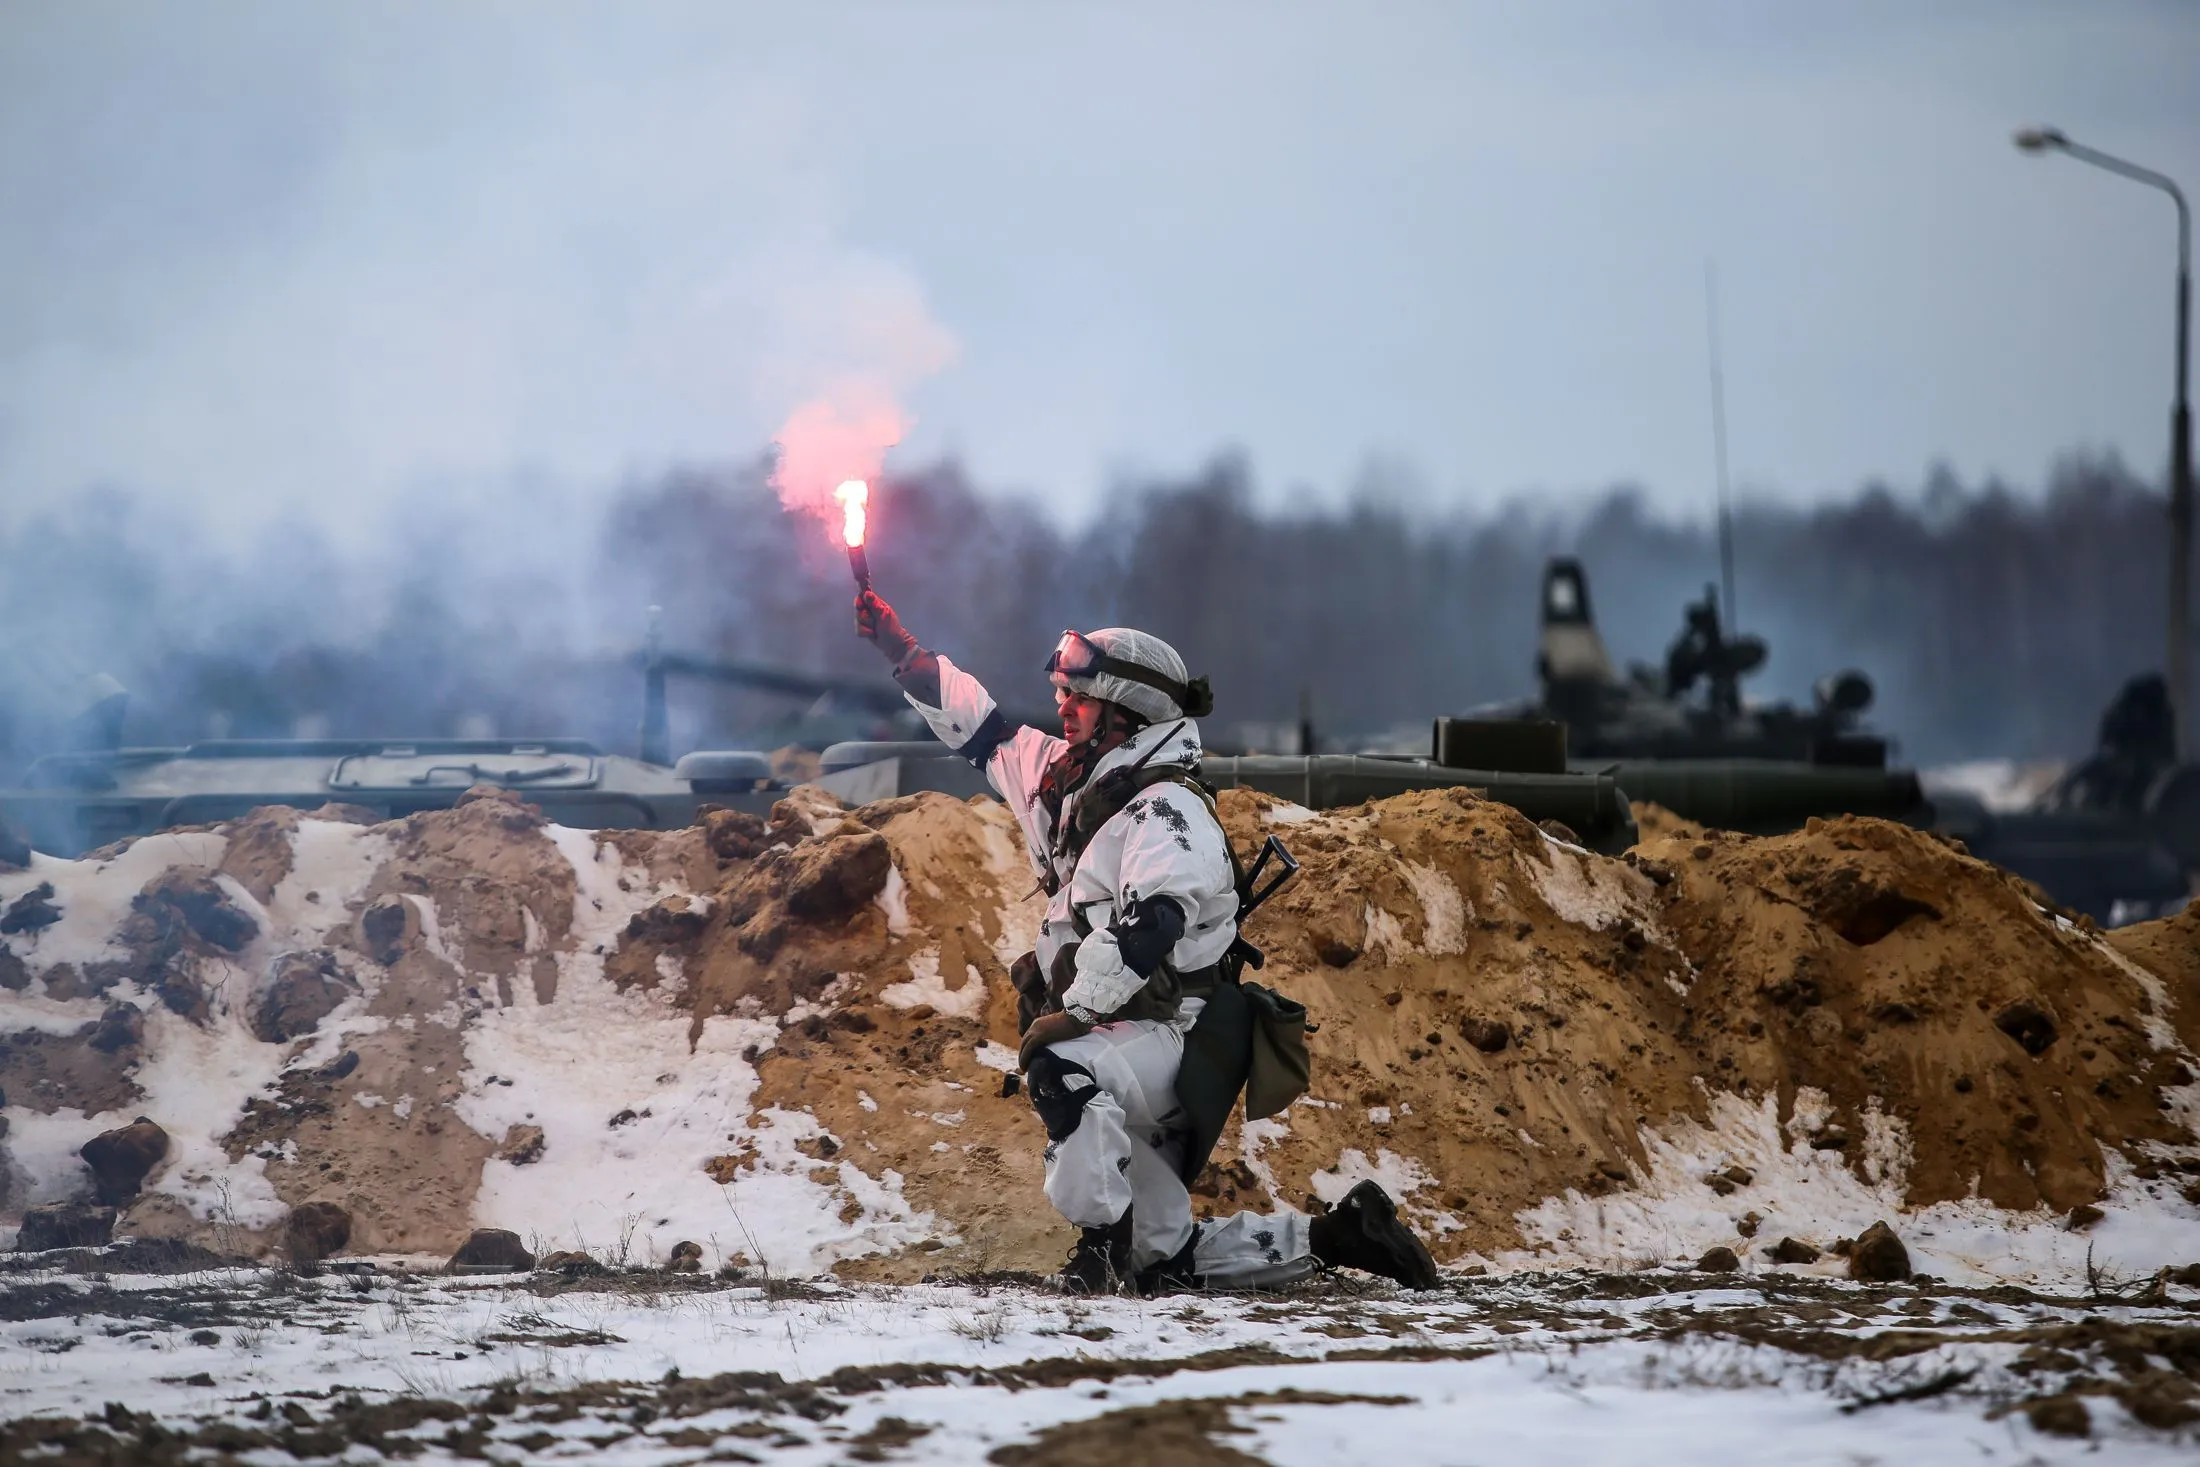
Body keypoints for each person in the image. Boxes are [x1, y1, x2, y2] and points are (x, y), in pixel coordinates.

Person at [855, 589, 1439, 1295]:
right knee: (1163, 1255)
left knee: (1061, 1066)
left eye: (1079, 695)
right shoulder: (1079, 784)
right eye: (1063, 691)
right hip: (1133, 1033)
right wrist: (902, 652)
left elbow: (1152, 924)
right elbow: (985, 733)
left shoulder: (1167, 807)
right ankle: (1342, 1235)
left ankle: (1098, 1251)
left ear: (1127, 712)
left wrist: (1070, 1016)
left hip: (1172, 1036)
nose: (1063, 705)